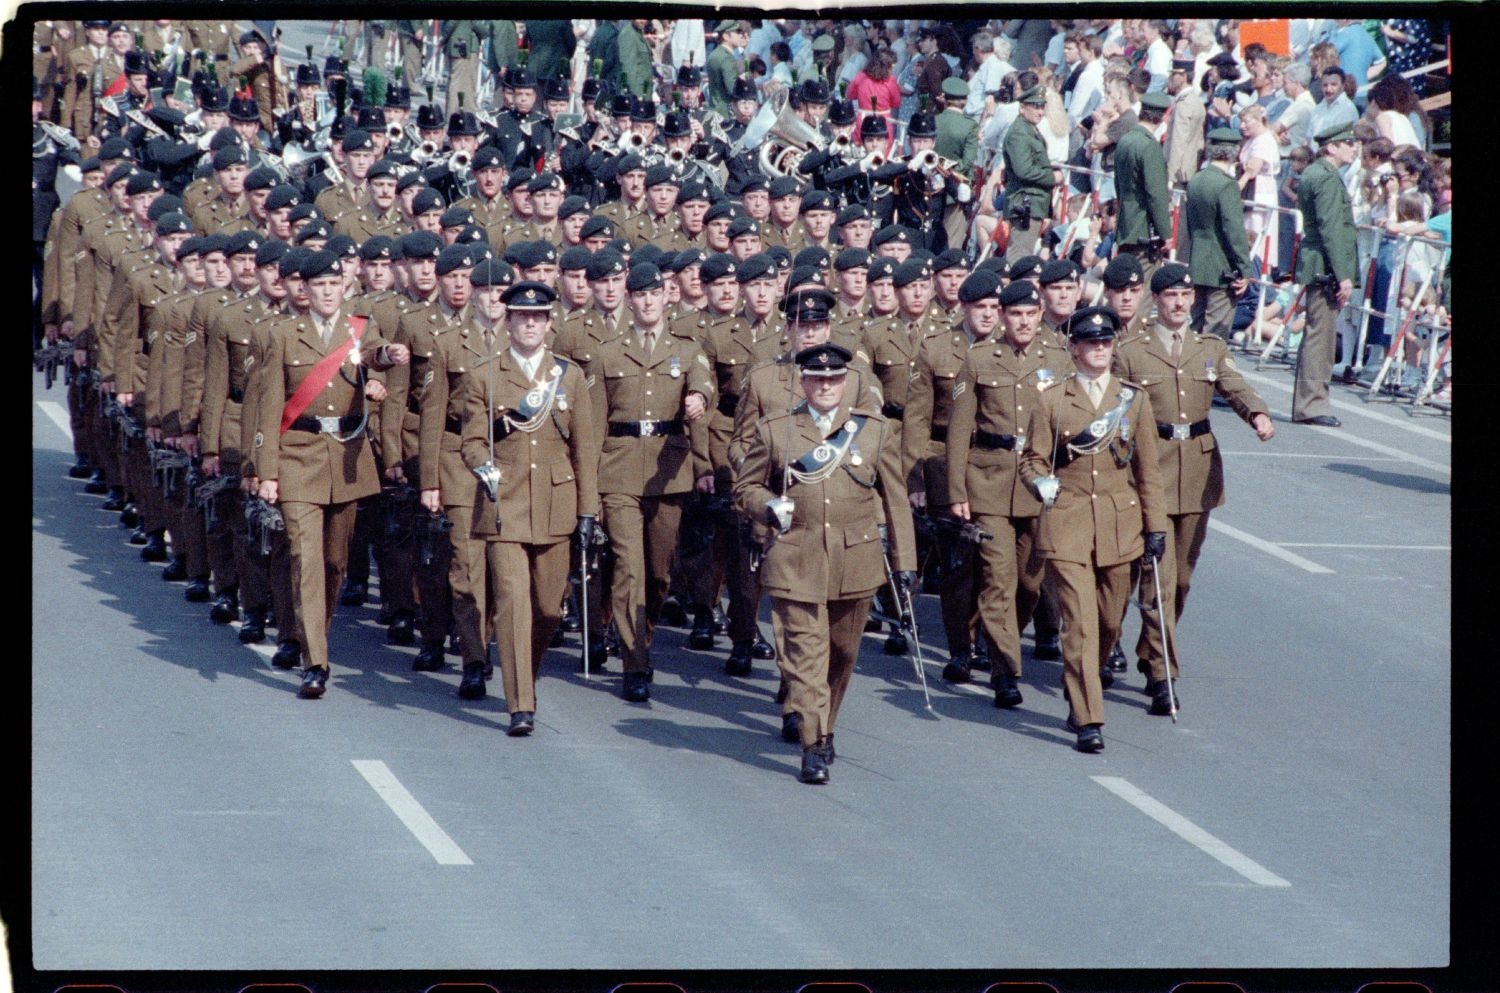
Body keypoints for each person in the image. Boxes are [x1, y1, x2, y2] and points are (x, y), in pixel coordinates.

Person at [733, 337, 916, 784]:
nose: (827, 386)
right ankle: (812, 743)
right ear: (804, 382)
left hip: (855, 558)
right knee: (805, 654)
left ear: (847, 381)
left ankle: (826, 724)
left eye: (835, 378)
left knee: (842, 653)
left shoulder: (873, 430)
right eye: (818, 379)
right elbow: (745, 488)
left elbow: (895, 500)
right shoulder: (778, 428)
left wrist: (905, 561)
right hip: (795, 556)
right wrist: (767, 507)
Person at [1111, 264, 1273, 713]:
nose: (1180, 303)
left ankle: (1149, 650)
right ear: (1156, 300)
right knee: (1157, 580)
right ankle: (1164, 675)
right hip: (1152, 471)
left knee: (1180, 578)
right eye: (1171, 296)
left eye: (1185, 296)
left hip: (1198, 476)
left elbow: (1234, 385)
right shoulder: (1130, 351)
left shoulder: (1209, 348)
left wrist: (1256, 413)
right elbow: (1119, 414)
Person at [250, 250, 411, 697]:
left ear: (344, 287)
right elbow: (266, 408)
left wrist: (387, 360)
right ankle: (315, 660)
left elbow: (375, 354)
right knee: (304, 558)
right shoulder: (283, 334)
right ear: (305, 289)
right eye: (316, 285)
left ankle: (310, 630)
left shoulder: (358, 329)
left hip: (346, 456)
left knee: (335, 561)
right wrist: (265, 470)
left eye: (332, 285)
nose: (324, 292)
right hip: (297, 456)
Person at [1019, 306, 1168, 752]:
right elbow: (1032, 459)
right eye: (1091, 343)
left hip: (1120, 525)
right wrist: (1040, 482)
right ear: (1074, 348)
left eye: (1106, 343)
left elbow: (1148, 471)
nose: (1099, 349)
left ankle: (1082, 680)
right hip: (1068, 521)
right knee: (1080, 624)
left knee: (1107, 622)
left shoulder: (1133, 399)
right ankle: (1088, 718)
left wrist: (1155, 526)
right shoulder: (1052, 399)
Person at [457, 274, 600, 731]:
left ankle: (526, 672)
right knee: (514, 601)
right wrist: (485, 466)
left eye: (538, 318)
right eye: (522, 318)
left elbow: (585, 449)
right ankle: (521, 703)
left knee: (546, 610)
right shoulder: (486, 375)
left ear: (548, 321)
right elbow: (472, 441)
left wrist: (587, 511)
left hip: (557, 505)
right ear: (509, 321)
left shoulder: (569, 376)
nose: (530, 325)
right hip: (506, 504)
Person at [589, 262, 715, 702]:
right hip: (618, 470)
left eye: (654, 293)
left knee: (659, 575)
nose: (646, 301)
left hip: (668, 471)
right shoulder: (607, 353)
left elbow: (703, 380)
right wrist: (590, 493)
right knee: (629, 568)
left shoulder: (687, 346)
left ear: (667, 296)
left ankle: (642, 633)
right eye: (638, 294)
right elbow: (592, 427)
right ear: (629, 299)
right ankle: (635, 662)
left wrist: (698, 398)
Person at [1291, 124, 1360, 427]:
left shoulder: (1315, 173)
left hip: (1317, 261)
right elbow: (1332, 230)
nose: (1353, 148)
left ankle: (1309, 401)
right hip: (1325, 264)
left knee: (1317, 333)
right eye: (1348, 143)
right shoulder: (1327, 178)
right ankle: (1312, 404)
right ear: (1331, 147)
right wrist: (1343, 275)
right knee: (1322, 337)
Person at [1186, 127, 1255, 337]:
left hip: (1198, 259)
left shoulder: (1196, 179)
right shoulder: (1226, 185)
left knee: (1195, 325)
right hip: (1221, 266)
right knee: (1215, 333)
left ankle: (1191, 368)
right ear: (1234, 152)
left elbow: (1191, 224)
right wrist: (1244, 268)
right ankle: (1207, 370)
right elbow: (1234, 231)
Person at [1001, 83, 1054, 262]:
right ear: (1022, 107)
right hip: (1025, 202)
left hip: (1032, 202)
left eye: (1042, 107)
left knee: (1023, 254)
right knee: (1019, 257)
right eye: (1035, 107)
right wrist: (1052, 177)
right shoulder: (1020, 133)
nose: (1040, 112)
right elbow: (1023, 170)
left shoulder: (1029, 129)